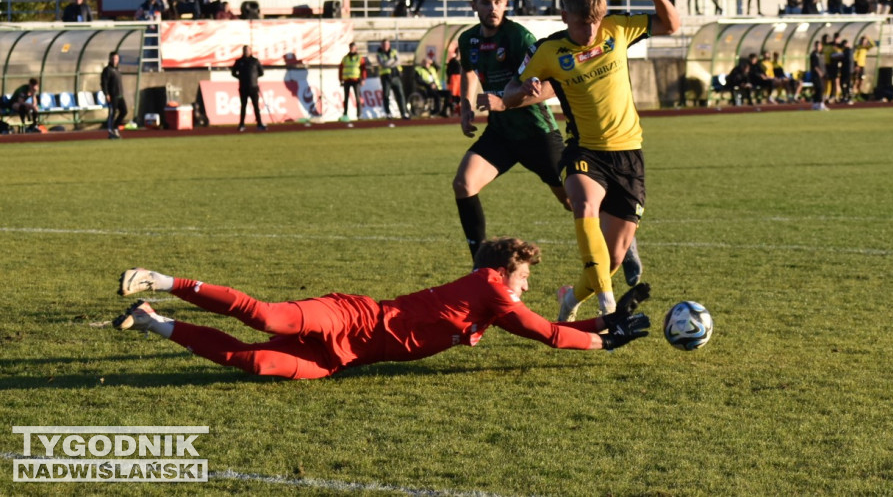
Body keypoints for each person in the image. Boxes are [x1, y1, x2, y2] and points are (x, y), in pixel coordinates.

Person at [111, 238, 654, 380]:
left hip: (353, 357)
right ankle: (163, 279)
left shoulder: (494, 305)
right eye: (527, 273)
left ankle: (154, 320)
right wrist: (606, 341)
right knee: (270, 317)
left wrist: (608, 319)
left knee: (254, 362)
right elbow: (550, 336)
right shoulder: (492, 286)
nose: (529, 283)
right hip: (355, 317)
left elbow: (550, 329)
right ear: (505, 268)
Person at [503, 0, 681, 319]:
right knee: (583, 205)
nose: (591, 31)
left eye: (596, 22)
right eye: (583, 24)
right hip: (585, 151)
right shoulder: (548, 51)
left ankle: (570, 300)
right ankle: (608, 303)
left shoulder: (617, 28)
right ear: (564, 16)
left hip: (629, 154)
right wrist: (523, 90)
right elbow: (511, 92)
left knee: (613, 257)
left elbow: (671, 25)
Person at [453, 0, 570, 257]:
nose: (492, 8)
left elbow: (552, 85)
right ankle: (480, 266)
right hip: (501, 134)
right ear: (474, 5)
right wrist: (466, 106)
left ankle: (623, 243)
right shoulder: (468, 39)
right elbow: (468, 72)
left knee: (572, 201)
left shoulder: (519, 38)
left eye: (498, 2)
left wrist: (504, 102)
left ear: (506, 4)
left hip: (537, 132)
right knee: (463, 184)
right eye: (485, 2)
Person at [231, 45, 266, 131]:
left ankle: (259, 124)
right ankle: (242, 124)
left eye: (247, 50)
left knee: (256, 106)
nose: (246, 52)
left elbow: (261, 72)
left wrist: (254, 77)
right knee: (243, 106)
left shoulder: (254, 61)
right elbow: (233, 72)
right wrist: (241, 77)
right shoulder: (239, 61)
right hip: (243, 87)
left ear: (250, 51)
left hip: (253, 87)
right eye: (244, 50)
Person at [376, 39, 409, 119]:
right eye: (384, 45)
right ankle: (388, 113)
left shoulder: (394, 51)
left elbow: (398, 61)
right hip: (386, 77)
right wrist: (392, 61)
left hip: (395, 76)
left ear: (389, 45)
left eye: (387, 44)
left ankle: (404, 112)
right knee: (386, 95)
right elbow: (383, 64)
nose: (385, 46)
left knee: (400, 95)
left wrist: (389, 63)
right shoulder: (379, 54)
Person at [101, 52, 127, 139]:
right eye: (113, 58)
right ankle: (110, 131)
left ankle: (115, 127)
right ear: (110, 59)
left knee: (124, 111)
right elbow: (104, 83)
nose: (114, 60)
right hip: (113, 96)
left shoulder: (117, 70)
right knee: (112, 113)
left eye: (116, 58)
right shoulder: (107, 70)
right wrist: (107, 94)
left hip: (120, 95)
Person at [339, 42, 366, 121]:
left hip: (356, 80)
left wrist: (363, 78)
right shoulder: (345, 58)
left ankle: (359, 114)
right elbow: (341, 69)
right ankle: (345, 114)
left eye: (353, 47)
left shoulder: (359, 58)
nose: (352, 49)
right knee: (346, 98)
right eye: (350, 47)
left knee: (357, 98)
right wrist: (340, 79)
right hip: (347, 79)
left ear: (356, 48)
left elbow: (363, 69)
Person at [809, 40, 828, 111]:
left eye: (819, 46)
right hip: (816, 75)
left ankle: (816, 104)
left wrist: (825, 72)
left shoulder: (821, 54)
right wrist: (819, 72)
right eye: (817, 46)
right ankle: (820, 103)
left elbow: (823, 64)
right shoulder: (814, 54)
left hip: (822, 74)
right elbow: (815, 65)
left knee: (820, 89)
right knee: (819, 88)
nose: (818, 47)